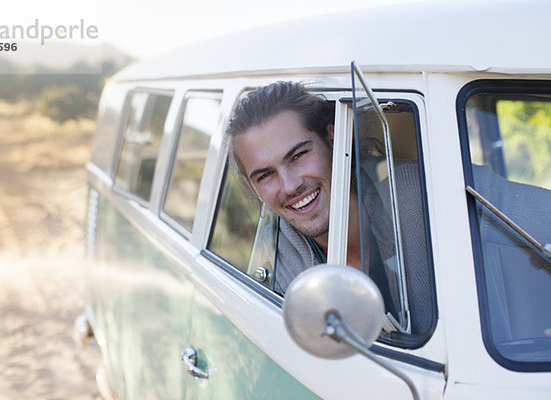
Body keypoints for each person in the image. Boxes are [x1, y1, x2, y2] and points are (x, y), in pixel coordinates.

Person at [226, 81, 551, 336]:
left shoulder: (420, 191)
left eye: (298, 155)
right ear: (252, 187)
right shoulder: (275, 262)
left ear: (333, 138)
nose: (289, 185)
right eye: (265, 175)